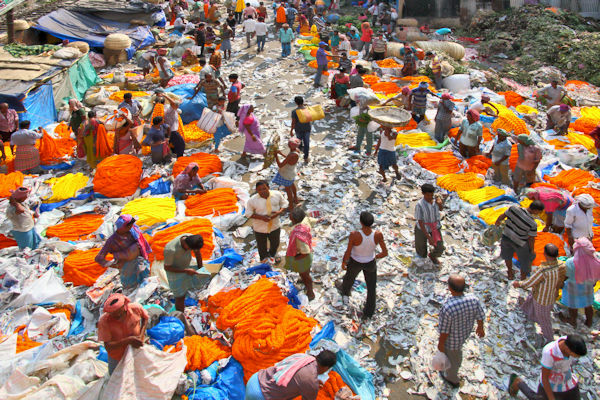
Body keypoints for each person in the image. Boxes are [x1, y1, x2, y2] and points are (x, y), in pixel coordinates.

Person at [338, 211, 388, 320]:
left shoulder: (354, 235)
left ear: (360, 222)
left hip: (355, 262)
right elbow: (385, 252)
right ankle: (369, 312)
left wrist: (344, 262)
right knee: (371, 287)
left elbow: (348, 251)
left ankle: (345, 294)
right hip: (370, 263)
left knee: (349, 278)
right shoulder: (378, 235)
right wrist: (375, 256)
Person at [437, 275, 485, 388]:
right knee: (455, 354)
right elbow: (480, 315)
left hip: (452, 341)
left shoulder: (448, 307)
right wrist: (480, 327)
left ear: (450, 288)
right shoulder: (473, 299)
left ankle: (452, 379)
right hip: (465, 333)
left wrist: (441, 344)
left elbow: (444, 331)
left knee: (454, 359)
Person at [513, 244, 566, 344]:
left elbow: (530, 282)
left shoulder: (543, 270)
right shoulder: (561, 265)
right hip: (551, 294)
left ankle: (550, 339)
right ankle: (529, 314)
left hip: (543, 299)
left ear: (545, 254)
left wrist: (518, 284)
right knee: (530, 301)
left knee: (544, 320)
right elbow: (561, 280)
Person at [508, 335, 587, 399]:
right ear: (568, 349)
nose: (576, 358)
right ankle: (519, 382)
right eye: (576, 356)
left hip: (569, 384)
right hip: (551, 385)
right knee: (536, 398)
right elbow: (545, 378)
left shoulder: (570, 342)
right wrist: (551, 398)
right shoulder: (549, 352)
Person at [245, 350, 337, 400]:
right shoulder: (311, 382)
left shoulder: (303, 356)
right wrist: (313, 386)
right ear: (326, 368)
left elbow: (292, 374)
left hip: (255, 380)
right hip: (261, 395)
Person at [95, 214, 152, 289]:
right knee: (130, 289)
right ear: (125, 227)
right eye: (131, 224)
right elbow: (99, 258)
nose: (133, 225)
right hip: (127, 270)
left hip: (140, 264)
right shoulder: (112, 241)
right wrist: (115, 265)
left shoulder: (133, 232)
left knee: (145, 286)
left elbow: (141, 246)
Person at [97, 294, 148, 375]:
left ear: (125, 307)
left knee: (140, 374)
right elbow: (108, 346)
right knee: (117, 378)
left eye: (120, 314)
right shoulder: (104, 321)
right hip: (117, 356)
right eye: (115, 316)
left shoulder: (136, 308)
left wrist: (141, 335)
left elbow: (145, 318)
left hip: (137, 349)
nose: (119, 317)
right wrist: (128, 340)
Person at [495, 201, 545, 280]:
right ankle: (523, 278)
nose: (539, 214)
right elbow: (531, 238)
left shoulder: (513, 209)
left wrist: (497, 224)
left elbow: (502, 216)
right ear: (535, 210)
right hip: (520, 242)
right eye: (539, 212)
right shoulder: (532, 223)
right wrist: (532, 250)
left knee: (507, 256)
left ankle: (510, 273)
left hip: (506, 236)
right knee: (525, 261)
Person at [559, 237, 600, 328]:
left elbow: (566, 276)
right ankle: (589, 322)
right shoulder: (595, 260)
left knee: (573, 306)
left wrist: (560, 284)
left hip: (573, 288)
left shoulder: (571, 262)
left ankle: (573, 321)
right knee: (588, 304)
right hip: (587, 287)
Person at [245, 180, 288, 262]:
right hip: (260, 227)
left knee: (275, 243)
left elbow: (284, 203)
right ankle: (264, 258)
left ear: (268, 187)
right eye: (259, 190)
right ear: (256, 191)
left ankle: (272, 254)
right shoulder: (252, 200)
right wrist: (261, 217)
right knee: (261, 245)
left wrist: (279, 212)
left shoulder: (277, 194)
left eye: (264, 188)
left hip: (274, 225)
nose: (262, 191)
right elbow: (248, 214)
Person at [164, 234, 209, 311]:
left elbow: (197, 254)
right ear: (186, 244)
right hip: (174, 273)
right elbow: (167, 267)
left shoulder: (191, 239)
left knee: (188, 289)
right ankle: (180, 315)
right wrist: (185, 271)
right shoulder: (171, 249)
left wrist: (200, 268)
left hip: (186, 268)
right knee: (180, 296)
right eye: (190, 249)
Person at [285, 207, 315, 300]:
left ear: (294, 219)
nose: (290, 219)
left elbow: (305, 252)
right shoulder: (306, 221)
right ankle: (304, 279)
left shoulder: (298, 234)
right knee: (305, 273)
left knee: (305, 275)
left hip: (302, 257)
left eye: (291, 218)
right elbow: (313, 220)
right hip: (306, 255)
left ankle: (310, 292)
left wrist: (294, 260)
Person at [414, 183, 445, 265]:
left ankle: (432, 255)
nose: (430, 197)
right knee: (421, 248)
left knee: (440, 247)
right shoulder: (420, 205)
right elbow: (420, 222)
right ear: (423, 194)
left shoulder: (436, 201)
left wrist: (440, 203)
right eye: (428, 195)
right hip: (422, 229)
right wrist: (428, 236)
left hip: (435, 227)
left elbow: (441, 209)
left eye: (431, 195)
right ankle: (423, 258)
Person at [273, 138, 301, 210]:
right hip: (292, 172)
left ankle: (291, 206)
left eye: (289, 144)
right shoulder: (296, 151)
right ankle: (295, 199)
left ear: (290, 146)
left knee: (288, 190)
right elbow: (289, 159)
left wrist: (276, 156)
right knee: (292, 185)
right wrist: (281, 153)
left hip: (286, 174)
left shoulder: (291, 155)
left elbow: (280, 165)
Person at [159, 94, 186, 158]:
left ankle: (174, 153)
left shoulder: (162, 108)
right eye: (177, 105)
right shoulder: (170, 110)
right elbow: (173, 103)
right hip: (172, 131)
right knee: (181, 144)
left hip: (166, 131)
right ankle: (180, 157)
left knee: (172, 143)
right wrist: (165, 95)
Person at [290, 96, 312, 162]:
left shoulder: (294, 112)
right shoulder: (307, 109)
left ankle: (298, 154)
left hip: (299, 129)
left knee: (298, 142)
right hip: (307, 128)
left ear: (296, 103)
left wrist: (291, 130)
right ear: (303, 101)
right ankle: (306, 157)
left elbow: (293, 122)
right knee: (307, 143)